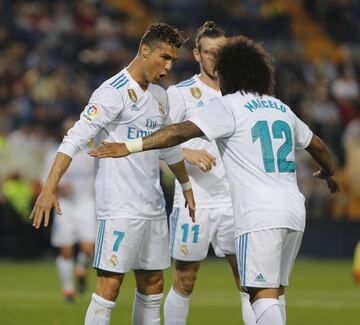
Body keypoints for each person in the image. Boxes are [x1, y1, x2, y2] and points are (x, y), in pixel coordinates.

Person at [89, 35, 340, 325]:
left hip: (258, 214)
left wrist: (131, 146)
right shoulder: (280, 107)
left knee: (261, 294)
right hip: (294, 212)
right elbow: (318, 146)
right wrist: (329, 173)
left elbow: (179, 132)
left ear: (228, 73)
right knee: (274, 292)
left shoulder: (229, 105)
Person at [30, 23, 195, 325]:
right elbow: (74, 138)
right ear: (145, 50)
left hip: (154, 207)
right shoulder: (112, 92)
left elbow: (168, 147)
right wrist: (48, 188)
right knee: (109, 287)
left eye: (173, 60)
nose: (169, 67)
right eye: (164, 57)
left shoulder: (160, 96)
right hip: (119, 208)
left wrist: (185, 184)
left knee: (153, 285)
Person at [163, 22, 255, 325]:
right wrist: (187, 152)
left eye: (221, 52)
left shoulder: (241, 94)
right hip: (194, 203)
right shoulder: (181, 94)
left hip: (234, 202)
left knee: (248, 281)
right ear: (197, 55)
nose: (215, 58)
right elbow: (160, 143)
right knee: (185, 280)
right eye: (209, 53)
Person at [42, 117, 96, 302]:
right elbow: (46, 181)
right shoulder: (54, 153)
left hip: (86, 203)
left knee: (89, 247)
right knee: (65, 250)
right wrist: (59, 188)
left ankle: (81, 268)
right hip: (64, 206)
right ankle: (68, 289)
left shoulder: (91, 153)